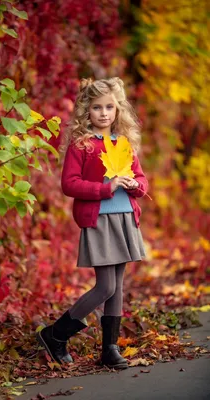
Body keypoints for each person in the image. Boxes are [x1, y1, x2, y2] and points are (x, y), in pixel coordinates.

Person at [36, 77, 148, 370]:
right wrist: (105, 188)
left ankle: (110, 349)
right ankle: (55, 334)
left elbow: (142, 179)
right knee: (105, 286)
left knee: (118, 286)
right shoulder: (81, 145)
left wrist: (135, 184)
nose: (104, 113)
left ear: (118, 109)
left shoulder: (123, 143)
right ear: (87, 109)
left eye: (109, 107)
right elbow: (69, 184)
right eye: (97, 107)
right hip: (98, 218)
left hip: (125, 217)